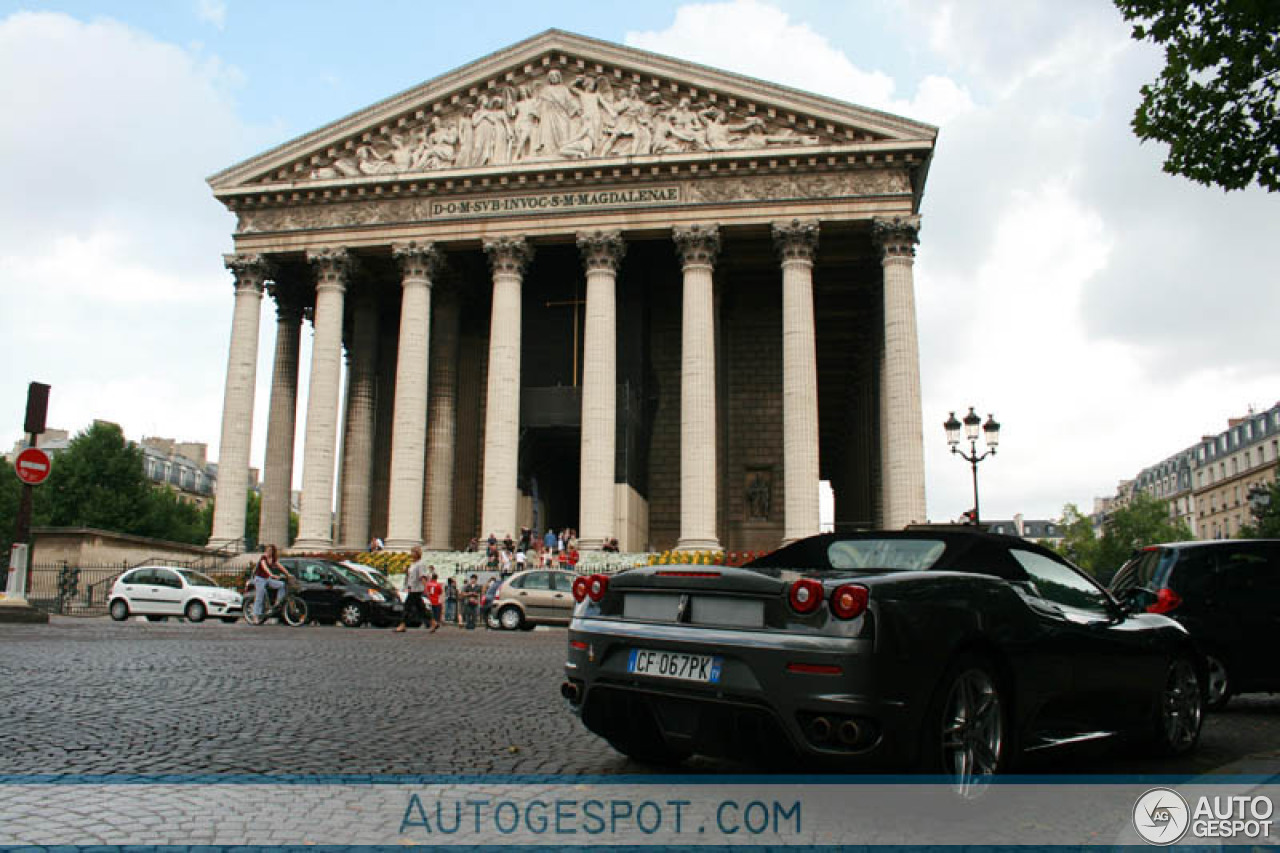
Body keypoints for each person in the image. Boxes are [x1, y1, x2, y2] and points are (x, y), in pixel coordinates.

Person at [395, 547, 433, 633]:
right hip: (412, 588)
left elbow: (423, 577)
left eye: (413, 552)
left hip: (416, 589)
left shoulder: (420, 564)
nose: (411, 554)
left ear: (417, 553)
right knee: (421, 609)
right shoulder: (413, 564)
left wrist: (426, 589)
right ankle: (433, 623)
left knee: (407, 607)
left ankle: (402, 625)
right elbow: (411, 576)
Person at [251, 544, 288, 620]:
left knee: (281, 585)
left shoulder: (273, 559)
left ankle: (278, 602)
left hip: (267, 579)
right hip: (259, 578)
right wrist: (271, 575)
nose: (269, 552)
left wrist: (288, 574)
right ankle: (256, 615)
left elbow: (280, 566)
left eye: (271, 550)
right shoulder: (263, 557)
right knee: (260, 595)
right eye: (268, 550)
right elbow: (264, 567)